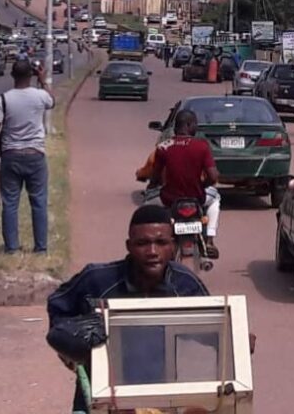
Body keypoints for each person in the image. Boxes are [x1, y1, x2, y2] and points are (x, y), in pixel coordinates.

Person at [46, 205, 210, 413]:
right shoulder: (96, 280)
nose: (152, 251)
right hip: (101, 396)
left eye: (160, 243)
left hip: (163, 394)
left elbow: (209, 326)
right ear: (129, 246)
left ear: (173, 247)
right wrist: (69, 345)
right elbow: (58, 307)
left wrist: (236, 339)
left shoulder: (185, 284)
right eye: (143, 243)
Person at [0, 59, 55, 253]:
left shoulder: (3, 99)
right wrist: (43, 80)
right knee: (39, 202)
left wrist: (5, 135)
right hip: (35, 155)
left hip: (11, 155)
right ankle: (40, 249)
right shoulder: (40, 96)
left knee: (10, 203)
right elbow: (53, 101)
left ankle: (11, 248)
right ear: (31, 75)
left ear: (12, 76)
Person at [151, 109, 221, 259]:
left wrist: (152, 185)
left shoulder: (164, 147)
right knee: (215, 199)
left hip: (169, 199)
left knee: (147, 207)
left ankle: (154, 241)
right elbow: (213, 176)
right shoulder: (201, 146)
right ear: (188, 125)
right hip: (196, 198)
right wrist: (203, 185)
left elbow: (155, 175)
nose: (196, 128)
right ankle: (209, 240)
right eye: (195, 124)